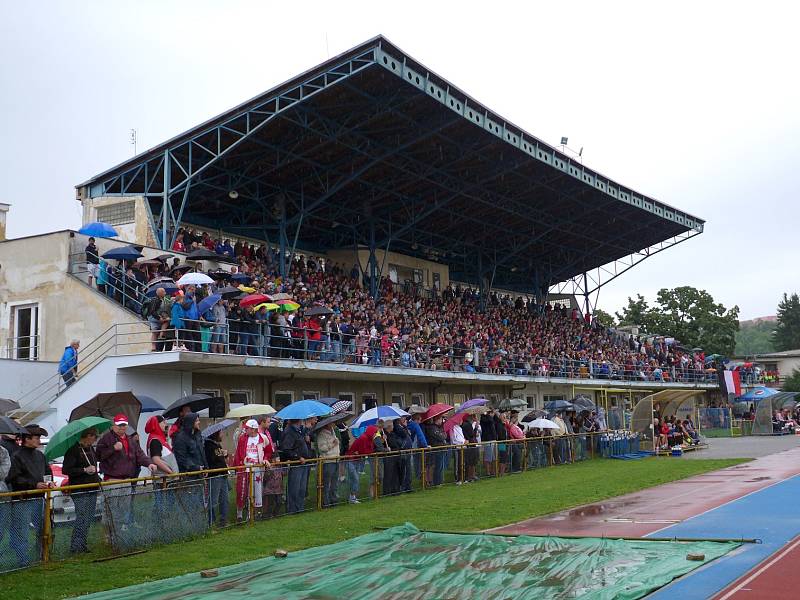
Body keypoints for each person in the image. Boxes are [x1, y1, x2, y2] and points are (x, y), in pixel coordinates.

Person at [96, 414, 157, 532]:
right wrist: (113, 449)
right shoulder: (106, 439)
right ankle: (109, 536)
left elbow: (140, 455)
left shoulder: (130, 439)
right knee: (110, 509)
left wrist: (149, 463)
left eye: (124, 425)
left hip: (127, 480)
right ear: (114, 425)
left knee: (124, 509)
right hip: (112, 480)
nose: (122, 427)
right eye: (119, 425)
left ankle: (118, 535)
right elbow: (99, 456)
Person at [4, 424, 53, 566]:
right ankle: (22, 559)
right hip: (23, 499)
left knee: (43, 528)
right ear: (27, 438)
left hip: (39, 497)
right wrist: (34, 484)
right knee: (22, 530)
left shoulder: (40, 455)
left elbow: (47, 471)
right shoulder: (17, 456)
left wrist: (48, 482)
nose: (39, 440)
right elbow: (13, 478)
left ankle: (42, 554)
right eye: (36, 437)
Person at [61, 426, 100, 553]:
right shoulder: (73, 451)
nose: (93, 442)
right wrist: (84, 470)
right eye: (93, 438)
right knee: (82, 516)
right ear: (88, 436)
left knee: (88, 517)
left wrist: (97, 477)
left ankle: (82, 544)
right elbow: (66, 470)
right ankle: (75, 545)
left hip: (92, 487)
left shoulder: (91, 449)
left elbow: (93, 467)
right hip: (79, 489)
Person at [233, 419, 266, 522]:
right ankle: (239, 514)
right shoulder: (242, 439)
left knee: (255, 492)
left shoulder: (262, 438)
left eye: (247, 428)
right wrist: (238, 467)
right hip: (245, 469)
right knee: (241, 491)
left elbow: (269, 450)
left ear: (253, 429)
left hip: (257, 469)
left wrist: (265, 459)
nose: (245, 430)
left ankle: (251, 514)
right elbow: (238, 453)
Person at [279, 419, 314, 514]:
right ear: (298, 420)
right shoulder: (289, 432)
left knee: (302, 488)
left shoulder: (299, 431)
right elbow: (286, 449)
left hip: (304, 463)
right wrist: (298, 457)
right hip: (296, 464)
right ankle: (292, 509)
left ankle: (300, 508)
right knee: (294, 488)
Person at [344, 425, 377, 504]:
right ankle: (352, 497)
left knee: (355, 479)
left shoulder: (369, 439)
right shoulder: (363, 438)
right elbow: (364, 451)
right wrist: (367, 452)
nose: (375, 435)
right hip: (351, 460)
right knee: (355, 478)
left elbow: (369, 450)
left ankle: (352, 497)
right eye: (374, 433)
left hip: (357, 460)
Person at [204, 430, 229, 527]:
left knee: (224, 499)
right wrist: (219, 454)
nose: (222, 434)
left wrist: (225, 454)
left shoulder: (218, 445)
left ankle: (224, 520)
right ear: (215, 434)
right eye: (221, 433)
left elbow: (222, 458)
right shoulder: (208, 446)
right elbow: (212, 460)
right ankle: (211, 522)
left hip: (223, 474)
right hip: (215, 475)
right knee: (213, 500)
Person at [315, 419, 340, 506]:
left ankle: (333, 500)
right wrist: (332, 444)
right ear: (328, 424)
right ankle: (325, 502)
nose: (335, 424)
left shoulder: (333, 432)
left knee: (334, 482)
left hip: (336, 459)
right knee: (326, 483)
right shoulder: (322, 434)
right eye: (333, 422)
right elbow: (322, 448)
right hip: (328, 461)